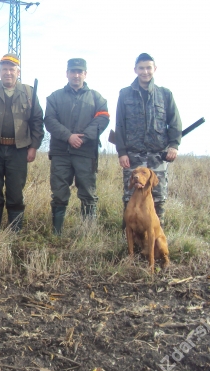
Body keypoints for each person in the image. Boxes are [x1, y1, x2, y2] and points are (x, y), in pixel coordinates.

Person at [0, 53, 44, 238]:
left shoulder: (29, 92)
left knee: (15, 191)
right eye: (4, 69)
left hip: (18, 151)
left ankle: (14, 233)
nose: (8, 73)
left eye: (12, 69)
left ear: (17, 72)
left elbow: (37, 121)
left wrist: (34, 147)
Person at [44, 58, 110, 235]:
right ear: (67, 74)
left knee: (88, 193)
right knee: (58, 193)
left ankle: (88, 234)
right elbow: (49, 120)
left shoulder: (97, 98)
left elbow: (103, 118)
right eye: (73, 71)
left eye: (80, 71)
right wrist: (69, 137)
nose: (76, 75)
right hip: (61, 153)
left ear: (85, 74)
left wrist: (85, 137)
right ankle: (57, 234)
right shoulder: (54, 97)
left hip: (86, 153)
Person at [115, 53, 181, 225]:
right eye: (141, 68)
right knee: (130, 196)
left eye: (148, 68)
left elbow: (174, 122)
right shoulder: (125, 94)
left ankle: (157, 238)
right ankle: (129, 238)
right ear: (135, 70)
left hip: (158, 155)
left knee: (158, 196)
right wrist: (122, 152)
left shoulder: (165, 95)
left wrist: (174, 145)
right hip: (133, 155)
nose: (145, 72)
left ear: (155, 69)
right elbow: (120, 125)